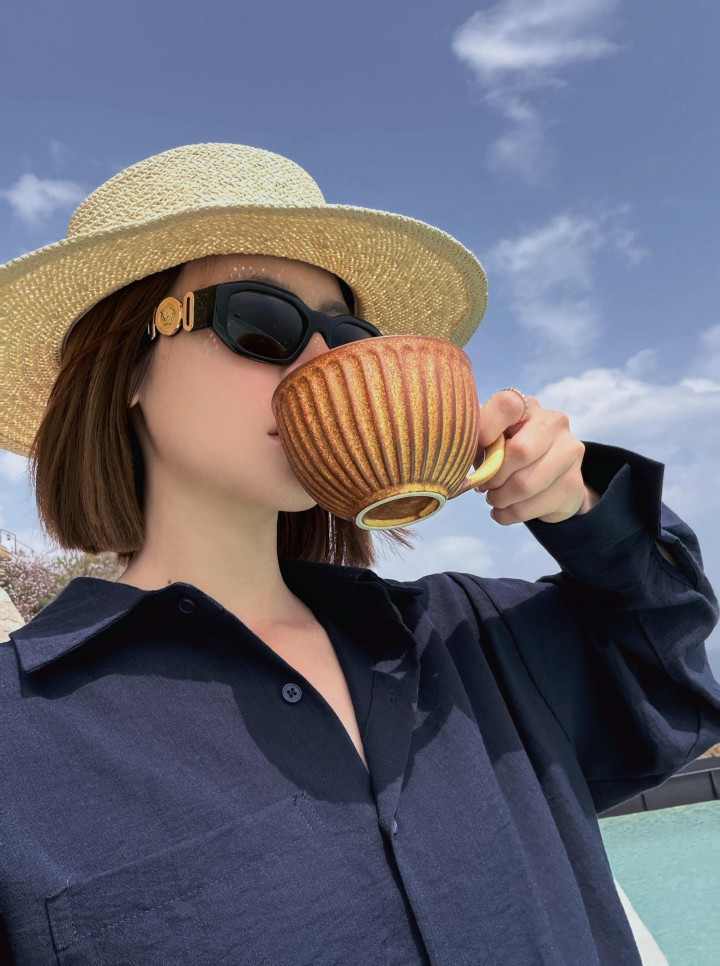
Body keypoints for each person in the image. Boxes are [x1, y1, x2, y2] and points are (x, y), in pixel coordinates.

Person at [0, 142, 718, 966]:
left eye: (347, 341)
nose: (321, 366)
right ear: (127, 364)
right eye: (263, 322)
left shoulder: (472, 636)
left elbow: (670, 679)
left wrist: (580, 506)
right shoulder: (19, 742)